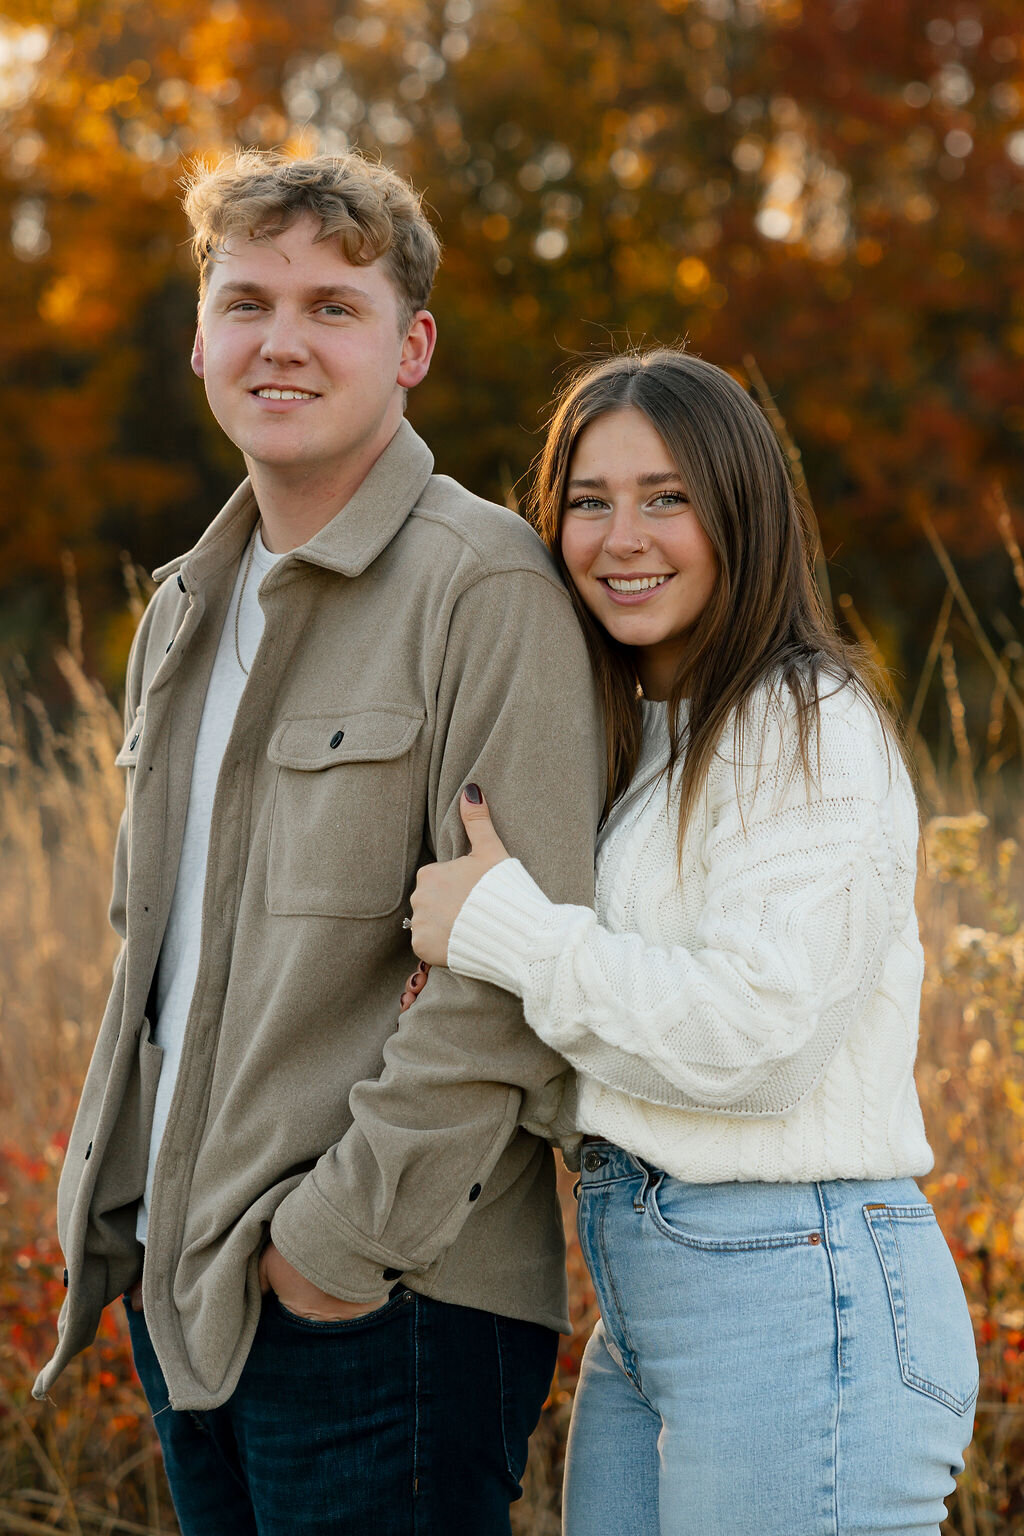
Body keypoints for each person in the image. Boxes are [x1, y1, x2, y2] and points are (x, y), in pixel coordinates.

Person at [32, 150, 606, 1536]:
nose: (280, 340)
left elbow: (513, 976)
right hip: (187, 1290)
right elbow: (162, 961)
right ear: (199, 338)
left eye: (331, 306)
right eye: (247, 301)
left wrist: (332, 1255)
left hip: (384, 1310)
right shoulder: (187, 606)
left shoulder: (484, 590)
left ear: (410, 347)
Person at [407, 348, 979, 1536]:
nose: (623, 537)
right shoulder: (646, 740)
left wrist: (510, 932)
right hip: (657, 1288)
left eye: (666, 497)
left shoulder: (803, 725)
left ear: (743, 513)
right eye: (588, 500)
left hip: (794, 1290)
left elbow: (756, 1037)